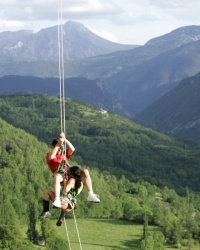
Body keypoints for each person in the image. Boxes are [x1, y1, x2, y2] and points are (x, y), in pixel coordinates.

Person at [46, 132, 100, 208]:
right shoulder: (49, 155)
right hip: (60, 173)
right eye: (58, 147)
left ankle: (90, 194)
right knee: (57, 177)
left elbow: (72, 149)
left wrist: (65, 140)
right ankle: (57, 199)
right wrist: (59, 143)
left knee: (85, 171)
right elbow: (52, 157)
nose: (60, 149)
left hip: (68, 171)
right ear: (53, 147)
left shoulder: (63, 154)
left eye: (61, 147)